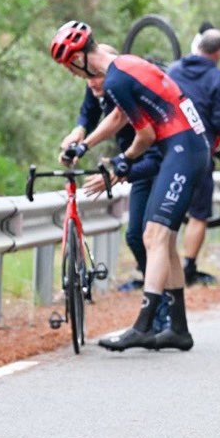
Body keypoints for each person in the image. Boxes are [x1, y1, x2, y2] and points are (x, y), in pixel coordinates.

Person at [49, 21, 209, 351]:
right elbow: (119, 118)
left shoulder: (118, 79)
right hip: (183, 146)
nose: (71, 74)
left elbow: (145, 136)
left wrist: (122, 162)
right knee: (163, 241)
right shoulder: (122, 67)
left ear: (79, 57)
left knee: (154, 236)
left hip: (182, 148)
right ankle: (178, 328)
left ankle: (143, 325)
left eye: (68, 66)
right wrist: (85, 146)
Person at [60, 44, 161, 294]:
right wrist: (78, 132)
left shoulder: (122, 87)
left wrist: (117, 172)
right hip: (132, 161)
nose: (92, 84)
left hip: (156, 161)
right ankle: (155, 291)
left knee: (156, 237)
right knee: (136, 237)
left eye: (97, 78)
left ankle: (162, 299)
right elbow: (88, 114)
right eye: (87, 78)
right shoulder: (95, 85)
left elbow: (121, 121)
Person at [169, 26, 220, 285]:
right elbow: (219, 119)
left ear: (198, 45)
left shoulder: (173, 70)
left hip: (170, 150)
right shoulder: (218, 78)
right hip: (199, 153)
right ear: (219, 52)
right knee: (199, 213)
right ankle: (189, 268)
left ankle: (166, 266)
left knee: (169, 211)